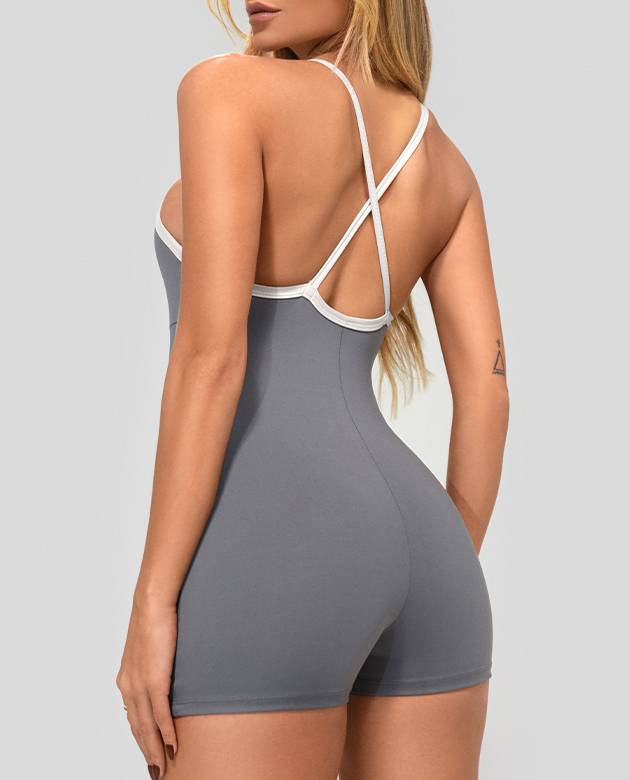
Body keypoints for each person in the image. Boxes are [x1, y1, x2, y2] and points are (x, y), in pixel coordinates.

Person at [116, 1, 509, 777]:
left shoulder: (226, 90)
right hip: (432, 561)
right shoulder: (446, 164)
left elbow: (210, 359)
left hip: (275, 542)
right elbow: (490, 394)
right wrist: (422, 572)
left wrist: (152, 602)